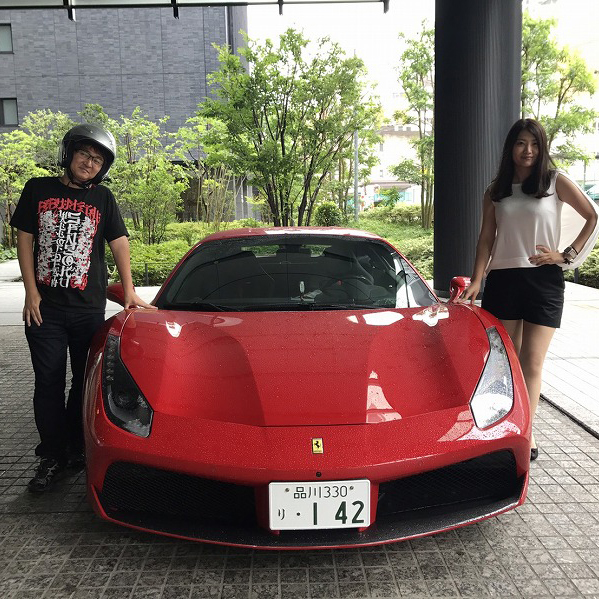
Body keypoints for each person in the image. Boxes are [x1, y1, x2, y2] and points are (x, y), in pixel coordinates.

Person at [10, 123, 156, 492]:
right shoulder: (38, 189)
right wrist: (30, 292)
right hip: (44, 310)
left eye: (97, 160)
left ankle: (75, 448)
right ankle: (51, 455)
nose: (89, 163)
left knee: (83, 383)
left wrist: (129, 291)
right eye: (84, 154)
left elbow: (119, 241)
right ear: (69, 153)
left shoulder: (103, 198)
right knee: (48, 382)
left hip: (88, 310)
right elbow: (24, 240)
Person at [463, 118, 599, 461]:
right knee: (505, 362)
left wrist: (566, 255)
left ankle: (526, 432)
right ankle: (505, 426)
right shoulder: (496, 190)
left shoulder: (554, 181)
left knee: (532, 362)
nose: (528, 150)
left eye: (535, 144)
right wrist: (477, 279)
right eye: (521, 143)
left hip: (544, 281)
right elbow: (486, 238)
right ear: (511, 147)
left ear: (542, 148)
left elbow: (593, 216)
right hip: (504, 280)